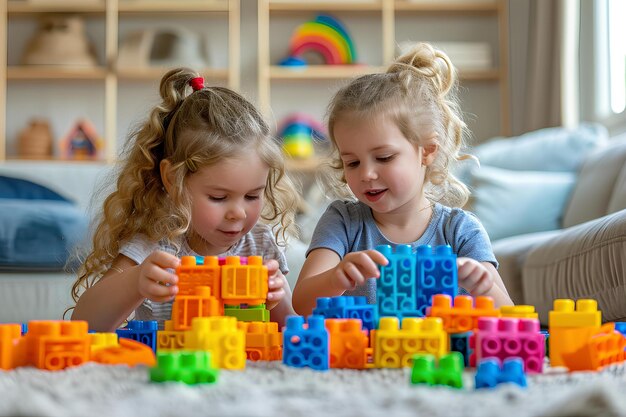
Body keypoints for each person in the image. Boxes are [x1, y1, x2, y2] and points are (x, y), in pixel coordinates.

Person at [71, 68, 299, 331]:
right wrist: (135, 281)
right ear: (172, 180)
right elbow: (84, 324)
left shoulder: (260, 246)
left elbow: (291, 330)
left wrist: (278, 298)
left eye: (252, 195)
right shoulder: (155, 248)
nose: (238, 212)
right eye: (219, 197)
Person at [292, 43, 513, 315]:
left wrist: (483, 286)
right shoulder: (343, 222)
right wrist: (337, 277)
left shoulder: (460, 231)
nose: (367, 174)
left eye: (384, 157)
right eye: (352, 162)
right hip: (361, 356)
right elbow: (302, 303)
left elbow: (509, 314)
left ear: (427, 152)